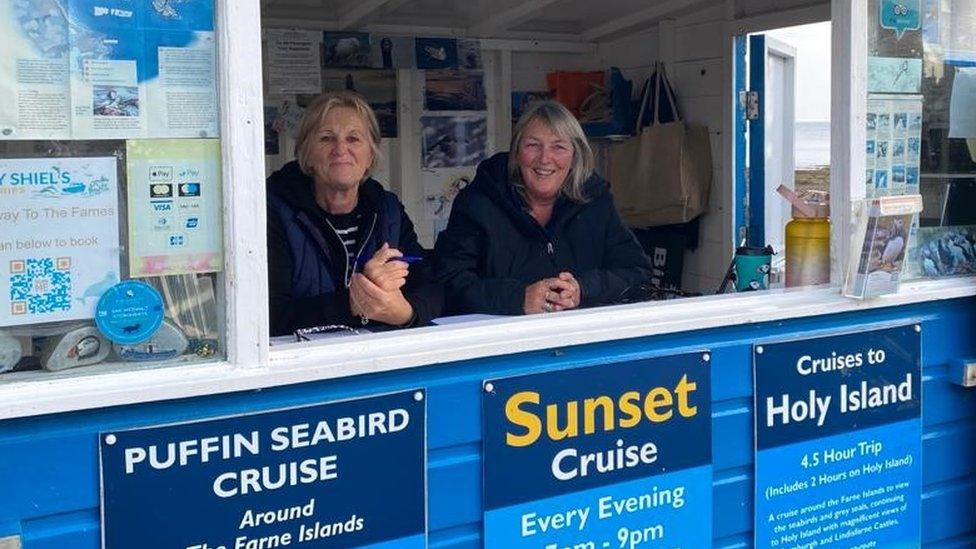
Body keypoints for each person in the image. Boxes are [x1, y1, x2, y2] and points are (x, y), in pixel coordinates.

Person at [434, 100, 651, 315]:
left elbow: (637, 272)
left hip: (582, 339)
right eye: (533, 145)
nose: (545, 158)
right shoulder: (478, 202)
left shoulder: (595, 201)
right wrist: (518, 299)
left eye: (558, 146)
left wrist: (582, 289)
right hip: (501, 341)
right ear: (516, 153)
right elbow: (446, 281)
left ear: (575, 156)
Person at [266, 91, 441, 336]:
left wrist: (406, 313)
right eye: (327, 138)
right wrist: (353, 301)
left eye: (354, 139)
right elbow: (267, 315)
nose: (341, 149)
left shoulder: (387, 210)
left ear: (371, 154)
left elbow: (431, 285)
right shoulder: (273, 210)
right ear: (307, 152)